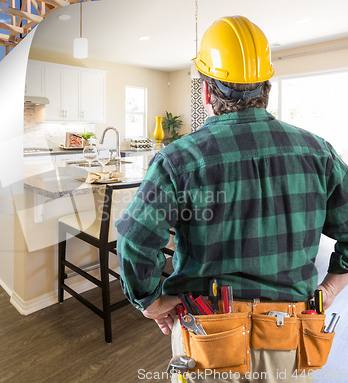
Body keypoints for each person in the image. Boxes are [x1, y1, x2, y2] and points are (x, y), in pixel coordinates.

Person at [116, 15, 348, 383]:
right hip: (289, 337)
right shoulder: (318, 153)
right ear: (266, 88)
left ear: (207, 93)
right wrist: (332, 286)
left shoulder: (178, 160)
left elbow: (134, 240)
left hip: (208, 336)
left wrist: (151, 301)